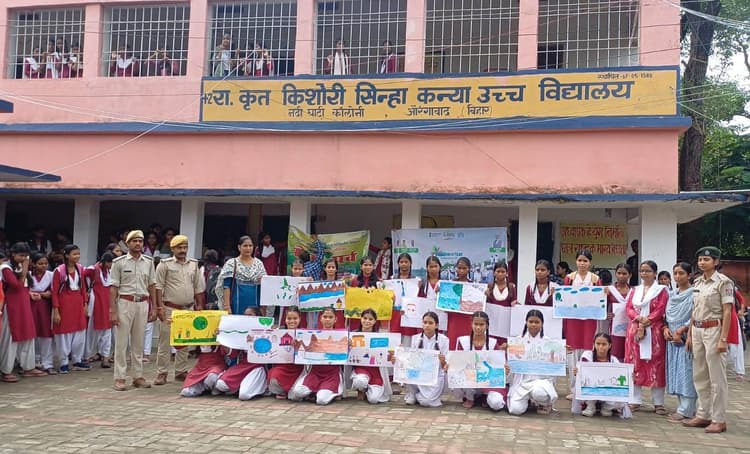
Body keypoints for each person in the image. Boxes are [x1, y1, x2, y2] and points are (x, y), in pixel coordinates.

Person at [683, 246, 734, 434]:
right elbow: (694, 310)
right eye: (700, 260)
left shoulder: (723, 282)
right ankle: (703, 414)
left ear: (716, 262)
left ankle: (719, 419)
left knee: (717, 378)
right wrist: (690, 334)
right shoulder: (698, 283)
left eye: (706, 259)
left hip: (714, 329)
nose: (702, 263)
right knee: (700, 375)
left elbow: (727, 311)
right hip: (697, 329)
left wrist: (723, 339)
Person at [154, 235, 206, 385]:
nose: (183, 250)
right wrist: (159, 307)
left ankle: (181, 371)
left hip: (188, 308)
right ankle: (162, 373)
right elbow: (158, 287)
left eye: (185, 247)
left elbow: (198, 287)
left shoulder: (193, 264)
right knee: (165, 341)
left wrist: (199, 305)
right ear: (172, 249)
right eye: (179, 248)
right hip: (169, 308)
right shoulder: (164, 265)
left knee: (184, 341)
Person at [109, 230, 157, 391]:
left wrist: (154, 307)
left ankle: (138, 376)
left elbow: (152, 285)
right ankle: (120, 377)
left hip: (142, 303)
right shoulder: (119, 262)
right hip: (125, 302)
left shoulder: (148, 262)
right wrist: (113, 311)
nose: (138, 244)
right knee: (122, 343)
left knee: (139, 342)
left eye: (140, 241)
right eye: (134, 241)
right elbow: (113, 288)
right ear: (128, 243)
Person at [624, 260, 668, 414]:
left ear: (655, 273)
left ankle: (658, 403)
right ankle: (635, 400)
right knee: (635, 363)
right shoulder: (634, 290)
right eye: (642, 271)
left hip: (654, 331)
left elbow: (661, 308)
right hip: (635, 330)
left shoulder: (661, 290)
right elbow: (628, 307)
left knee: (656, 365)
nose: (644, 273)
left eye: (648, 271)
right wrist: (638, 318)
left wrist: (647, 320)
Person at [0, 243, 44, 381]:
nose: (23, 258)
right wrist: (25, 269)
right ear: (13, 254)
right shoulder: (5, 268)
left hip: (24, 305)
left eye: (26, 256)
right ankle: (6, 370)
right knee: (11, 337)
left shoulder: (19, 267)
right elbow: (16, 286)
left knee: (28, 334)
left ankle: (28, 367)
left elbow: (24, 288)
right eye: (21, 255)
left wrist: (30, 294)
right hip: (12, 306)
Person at [563, 249, 600, 398]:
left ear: (590, 263)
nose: (582, 263)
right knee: (572, 352)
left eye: (585, 261)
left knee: (588, 349)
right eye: (580, 260)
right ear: (575, 261)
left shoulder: (595, 279)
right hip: (573, 319)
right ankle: (573, 389)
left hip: (589, 320)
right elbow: (564, 298)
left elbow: (600, 299)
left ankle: (586, 386)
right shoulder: (569, 278)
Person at [289, 307, 345, 405]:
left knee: (321, 400)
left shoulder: (341, 335)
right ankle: (314, 392)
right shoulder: (312, 334)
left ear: (335, 319)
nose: (327, 319)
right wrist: (296, 344)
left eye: (330, 317)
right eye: (325, 317)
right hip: (314, 373)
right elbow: (304, 349)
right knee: (297, 392)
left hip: (331, 375)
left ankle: (332, 393)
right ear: (320, 318)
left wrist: (349, 345)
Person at [506, 309, 558, 415]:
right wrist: (508, 369)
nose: (533, 324)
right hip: (522, 382)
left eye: (537, 322)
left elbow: (553, 369)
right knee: (515, 410)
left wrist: (561, 353)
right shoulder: (517, 341)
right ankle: (529, 401)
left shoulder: (548, 342)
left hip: (540, 382)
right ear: (526, 322)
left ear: (542, 323)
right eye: (531, 322)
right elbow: (512, 365)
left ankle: (544, 403)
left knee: (539, 393)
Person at [664, 262, 698, 423]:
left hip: (686, 337)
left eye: (681, 273)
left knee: (687, 372)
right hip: (672, 338)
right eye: (675, 273)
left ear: (689, 275)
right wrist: (665, 328)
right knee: (676, 371)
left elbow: (695, 315)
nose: (677, 277)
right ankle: (682, 406)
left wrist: (682, 330)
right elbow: (666, 316)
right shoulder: (672, 295)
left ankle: (687, 409)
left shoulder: (694, 294)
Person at [453, 311, 506, 410]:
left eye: (481, 325)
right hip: (469, 379)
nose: (478, 327)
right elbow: (458, 363)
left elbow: (497, 365)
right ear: (471, 324)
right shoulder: (463, 341)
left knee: (496, 403)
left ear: (487, 326)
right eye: (475, 324)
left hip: (487, 380)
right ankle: (470, 397)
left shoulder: (493, 343)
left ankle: (484, 396)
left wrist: (503, 368)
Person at [51, 244, 91, 374]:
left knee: (80, 332)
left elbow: (83, 288)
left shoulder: (80, 268)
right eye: (74, 254)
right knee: (64, 334)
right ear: (67, 255)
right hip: (64, 305)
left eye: (78, 254)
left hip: (78, 304)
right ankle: (63, 362)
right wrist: (56, 310)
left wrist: (85, 304)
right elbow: (54, 292)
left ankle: (77, 360)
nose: (77, 256)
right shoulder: (59, 271)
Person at [214, 308, 268, 400]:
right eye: (245, 315)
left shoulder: (265, 330)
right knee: (220, 384)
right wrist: (221, 337)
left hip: (256, 366)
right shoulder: (240, 330)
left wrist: (255, 342)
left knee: (244, 395)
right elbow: (233, 354)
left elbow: (268, 351)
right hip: (242, 366)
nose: (247, 317)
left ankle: (261, 386)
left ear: (257, 317)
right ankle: (238, 385)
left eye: (250, 315)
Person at [574, 333, 629, 418]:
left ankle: (606, 408)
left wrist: (629, 376)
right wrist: (577, 372)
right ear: (594, 344)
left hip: (607, 390)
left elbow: (620, 377)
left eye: (604, 344)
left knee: (622, 397)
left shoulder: (614, 360)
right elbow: (583, 374)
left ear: (609, 345)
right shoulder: (587, 356)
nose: (601, 347)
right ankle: (590, 406)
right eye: (598, 344)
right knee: (584, 385)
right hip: (592, 388)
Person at [404, 311, 449, 407]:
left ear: (436, 325)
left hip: (435, 375)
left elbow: (445, 365)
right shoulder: (415, 338)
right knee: (408, 369)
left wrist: (443, 361)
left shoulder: (444, 340)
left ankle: (419, 396)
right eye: (425, 322)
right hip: (419, 373)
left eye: (430, 323)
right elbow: (412, 360)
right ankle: (412, 393)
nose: (427, 325)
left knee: (426, 402)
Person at [350, 308, 393, 404]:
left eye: (370, 319)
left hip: (376, 371)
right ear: (361, 319)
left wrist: (395, 350)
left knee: (373, 399)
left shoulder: (380, 337)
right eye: (365, 318)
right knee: (359, 381)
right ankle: (361, 389)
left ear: (375, 321)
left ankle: (368, 390)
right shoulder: (353, 335)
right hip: (361, 369)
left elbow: (387, 354)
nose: (367, 321)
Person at [216, 236, 266, 314]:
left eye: (250, 246)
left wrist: (263, 307)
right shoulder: (231, 263)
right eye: (245, 246)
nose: (248, 248)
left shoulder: (259, 264)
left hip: (255, 304)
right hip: (236, 305)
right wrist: (227, 307)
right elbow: (226, 286)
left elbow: (264, 287)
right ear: (239, 247)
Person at [267, 306, 305, 399]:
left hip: (299, 368)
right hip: (282, 367)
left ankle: (293, 390)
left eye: (295, 318)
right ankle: (282, 391)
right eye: (289, 318)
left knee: (294, 396)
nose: (292, 321)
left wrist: (299, 345)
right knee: (274, 377)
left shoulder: (304, 333)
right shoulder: (279, 332)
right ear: (285, 319)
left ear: (300, 319)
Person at [84, 253, 114, 368]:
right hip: (95, 303)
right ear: (105, 262)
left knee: (107, 330)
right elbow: (82, 276)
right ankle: (87, 356)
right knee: (91, 331)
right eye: (110, 263)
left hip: (107, 303)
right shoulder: (93, 269)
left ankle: (105, 356)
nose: (111, 265)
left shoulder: (110, 272)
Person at [29, 253, 55, 374]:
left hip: (45, 307)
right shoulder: (28, 275)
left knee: (46, 334)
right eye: (40, 263)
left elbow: (55, 291)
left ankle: (47, 363)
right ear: (33, 264)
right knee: (31, 334)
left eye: (45, 263)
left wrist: (47, 294)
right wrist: (31, 294)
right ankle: (31, 362)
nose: (43, 266)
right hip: (31, 306)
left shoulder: (51, 275)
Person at [445, 257, 475, 346]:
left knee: (466, 345)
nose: (461, 270)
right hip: (454, 320)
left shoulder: (474, 286)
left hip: (468, 320)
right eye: (459, 268)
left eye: (464, 268)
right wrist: (440, 293)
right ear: (456, 269)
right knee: (453, 343)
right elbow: (445, 305)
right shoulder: (450, 285)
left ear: (469, 269)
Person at [485, 261, 516, 344]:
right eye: (498, 271)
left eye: (503, 272)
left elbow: (514, 303)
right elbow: (486, 305)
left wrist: (515, 304)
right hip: (492, 323)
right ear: (494, 273)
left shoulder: (511, 287)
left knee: (504, 344)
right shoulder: (490, 287)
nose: (500, 274)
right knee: (492, 343)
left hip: (506, 323)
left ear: (507, 273)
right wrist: (485, 296)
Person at [389, 253, 419, 340]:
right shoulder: (392, 279)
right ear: (398, 264)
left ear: (411, 263)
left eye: (406, 262)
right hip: (395, 313)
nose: (404, 264)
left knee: (408, 339)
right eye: (401, 262)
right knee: (395, 338)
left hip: (410, 313)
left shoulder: (417, 280)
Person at [607, 263, 633, 361]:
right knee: (615, 353)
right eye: (619, 273)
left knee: (629, 352)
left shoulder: (634, 291)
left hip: (630, 328)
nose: (621, 276)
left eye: (624, 273)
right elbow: (602, 307)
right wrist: (606, 314)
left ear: (630, 275)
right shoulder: (609, 290)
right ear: (615, 274)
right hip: (613, 328)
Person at [348, 257, 381, 331]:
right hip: (357, 316)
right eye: (365, 265)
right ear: (361, 266)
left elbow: (381, 299)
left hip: (372, 315)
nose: (368, 267)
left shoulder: (379, 281)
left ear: (373, 266)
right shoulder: (354, 281)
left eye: (370, 265)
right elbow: (351, 298)